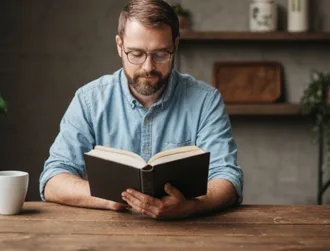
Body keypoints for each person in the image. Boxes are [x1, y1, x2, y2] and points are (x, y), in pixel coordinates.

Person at [40, 0, 243, 219]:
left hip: (188, 236)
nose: (148, 67)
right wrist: (107, 198)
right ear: (119, 46)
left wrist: (190, 207)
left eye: (161, 54)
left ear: (175, 45)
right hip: (107, 238)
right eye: (136, 54)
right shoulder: (89, 100)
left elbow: (228, 177)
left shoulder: (206, 100)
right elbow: (53, 179)